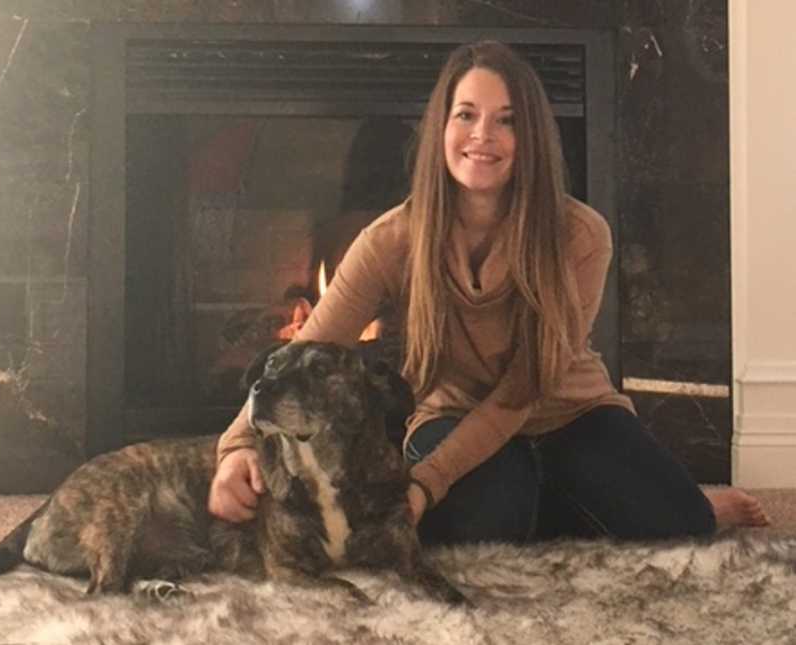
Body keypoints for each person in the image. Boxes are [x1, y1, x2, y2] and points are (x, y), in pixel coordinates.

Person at [208, 41, 769, 544]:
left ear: (529, 139)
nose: (483, 136)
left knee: (682, 522)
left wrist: (425, 484)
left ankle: (657, 502)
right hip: (451, 413)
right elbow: (308, 345)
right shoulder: (391, 239)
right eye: (467, 115)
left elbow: (521, 393)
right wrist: (235, 447)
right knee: (486, 525)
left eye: (506, 121)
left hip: (568, 411)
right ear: (442, 129)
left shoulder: (581, 235)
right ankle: (557, 500)